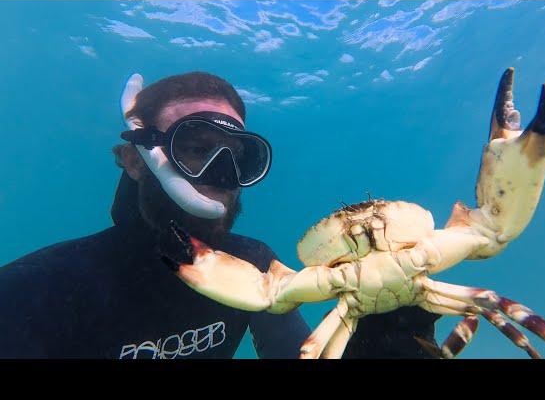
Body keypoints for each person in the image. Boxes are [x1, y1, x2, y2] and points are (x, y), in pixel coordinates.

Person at [0, 71, 440, 359]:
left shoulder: (254, 269)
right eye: (194, 148)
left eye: (237, 158)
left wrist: (384, 341)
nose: (221, 177)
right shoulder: (33, 287)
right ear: (135, 161)